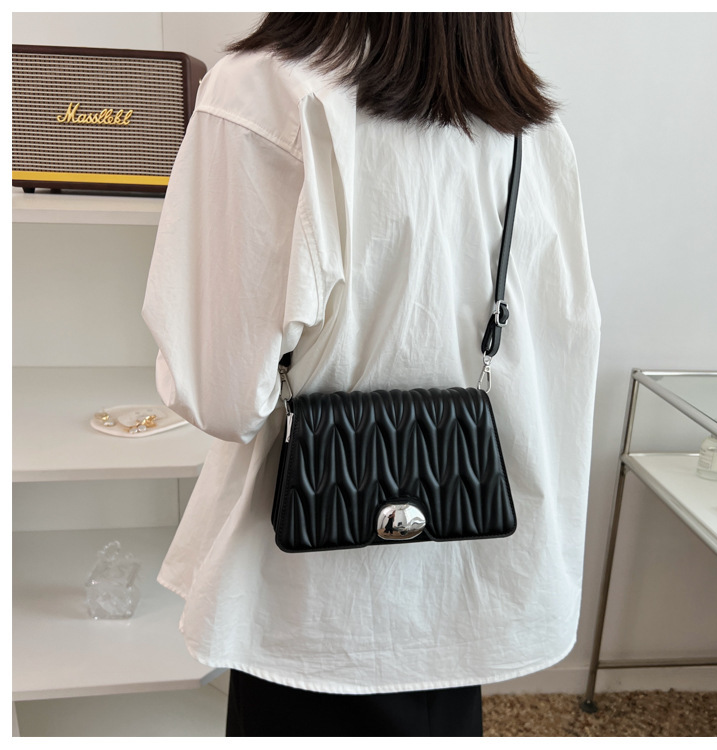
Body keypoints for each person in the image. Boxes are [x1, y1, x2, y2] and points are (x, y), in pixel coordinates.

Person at [142, 12, 601, 737]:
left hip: (307, 598)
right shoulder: (526, 129)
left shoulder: (263, 92)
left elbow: (221, 395)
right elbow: (562, 357)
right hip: (459, 569)